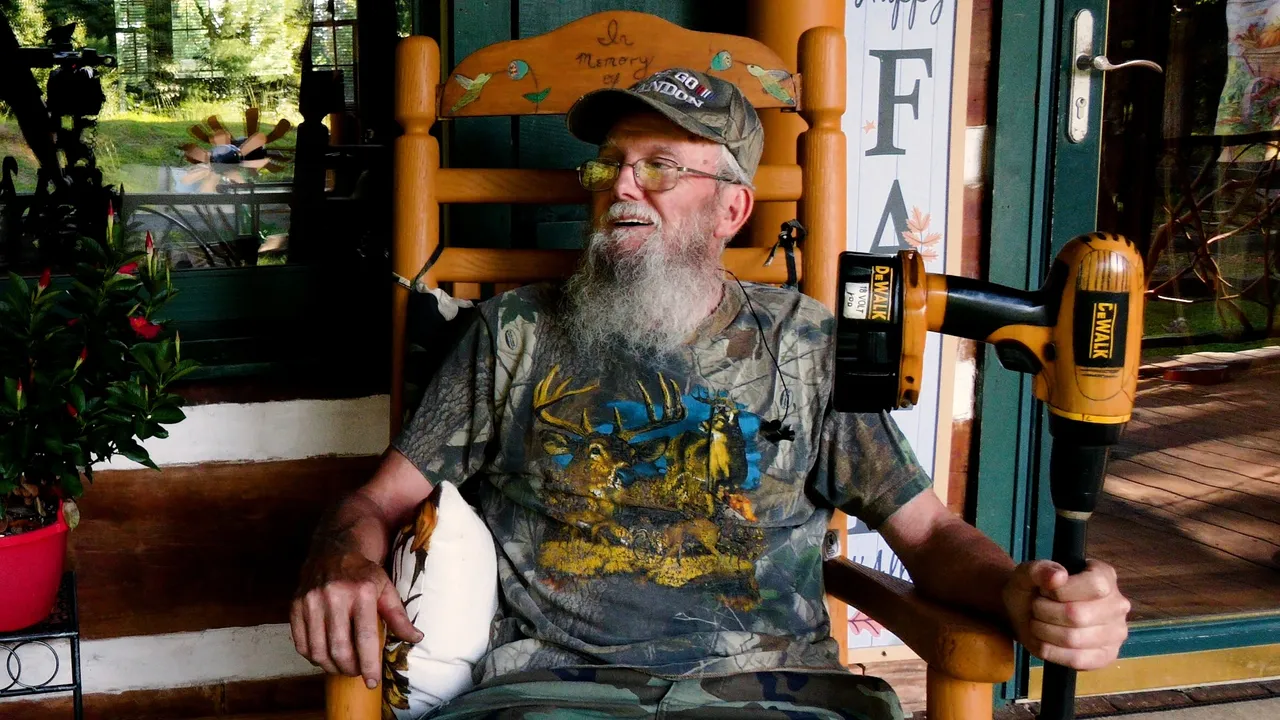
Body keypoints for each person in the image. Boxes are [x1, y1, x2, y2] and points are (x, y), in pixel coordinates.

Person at [291, 68, 1131, 719]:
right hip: (554, 696)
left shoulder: (806, 344)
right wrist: (344, 558)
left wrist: (1022, 590)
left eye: (659, 166)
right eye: (611, 164)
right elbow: (374, 502)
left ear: (732, 207)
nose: (622, 186)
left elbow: (932, 534)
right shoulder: (513, 335)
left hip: (779, 696)